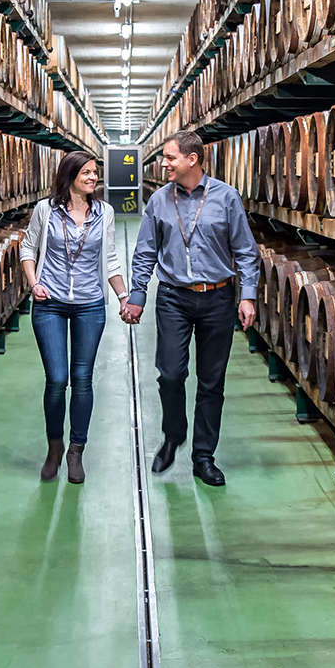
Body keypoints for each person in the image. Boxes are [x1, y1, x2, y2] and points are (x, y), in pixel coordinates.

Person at [122, 131, 259, 486]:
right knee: (170, 373)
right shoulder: (158, 201)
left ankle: (203, 456)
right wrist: (137, 295)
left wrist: (247, 295)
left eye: (170, 158)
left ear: (192, 159)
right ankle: (173, 434)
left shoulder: (226, 198)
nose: (163, 164)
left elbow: (245, 250)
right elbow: (145, 251)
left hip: (217, 297)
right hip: (173, 297)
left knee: (211, 381)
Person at [20, 152, 129, 483]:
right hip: (50, 303)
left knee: (82, 378)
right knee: (56, 379)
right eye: (86, 173)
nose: (93, 178)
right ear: (69, 176)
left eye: (95, 173)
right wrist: (34, 283)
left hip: (90, 305)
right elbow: (28, 249)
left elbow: (109, 258)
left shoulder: (104, 212)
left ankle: (76, 451)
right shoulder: (45, 210)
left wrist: (124, 296)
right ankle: (54, 448)